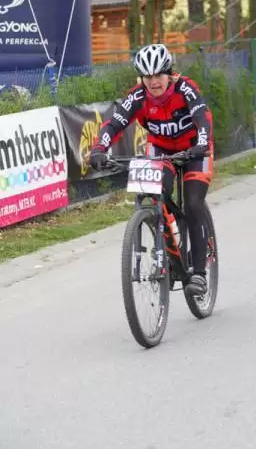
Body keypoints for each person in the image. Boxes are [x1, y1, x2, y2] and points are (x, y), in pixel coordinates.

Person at [89, 43, 213, 296]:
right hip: (161, 149)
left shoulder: (185, 89)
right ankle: (167, 238)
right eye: (147, 77)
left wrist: (201, 145)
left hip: (194, 148)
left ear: (169, 73)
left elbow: (202, 118)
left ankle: (199, 272)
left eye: (158, 75)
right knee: (153, 195)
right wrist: (99, 149)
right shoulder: (137, 97)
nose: (154, 82)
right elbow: (114, 124)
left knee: (193, 203)